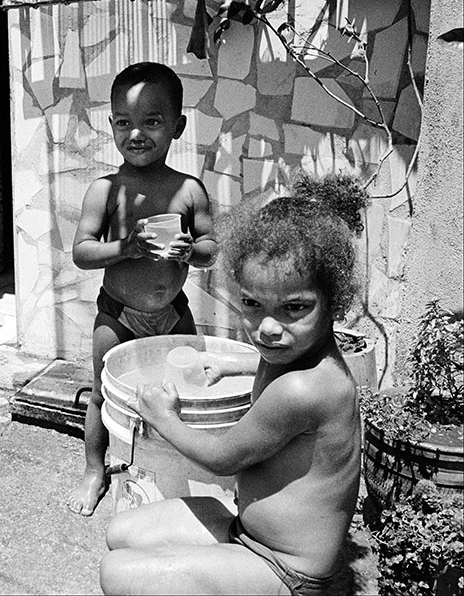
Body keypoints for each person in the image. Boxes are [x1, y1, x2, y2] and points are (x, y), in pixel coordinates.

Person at [99, 173, 370, 595]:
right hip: (247, 529)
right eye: (251, 303)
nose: (267, 328)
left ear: (335, 301)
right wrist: (230, 367)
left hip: (284, 569)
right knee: (122, 531)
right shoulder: (300, 354)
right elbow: (272, 369)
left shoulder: (306, 391)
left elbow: (223, 458)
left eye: (294, 307)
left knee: (117, 574)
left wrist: (163, 416)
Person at [67, 62, 219, 517]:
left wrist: (193, 250)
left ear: (177, 126)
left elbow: (212, 248)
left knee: (186, 393)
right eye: (124, 122)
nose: (136, 133)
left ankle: (175, 470)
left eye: (151, 122)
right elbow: (82, 251)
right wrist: (126, 247)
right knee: (101, 392)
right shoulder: (106, 189)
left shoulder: (189, 190)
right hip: (118, 314)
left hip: (173, 311)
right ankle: (95, 470)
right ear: (111, 124)